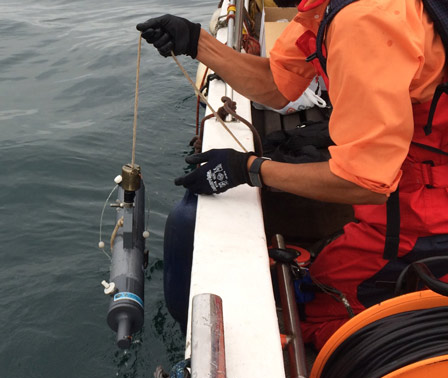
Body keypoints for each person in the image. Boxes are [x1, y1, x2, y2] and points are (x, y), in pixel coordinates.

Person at [137, 0, 448, 350]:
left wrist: (250, 169)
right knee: (320, 278)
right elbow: (276, 83)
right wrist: (197, 42)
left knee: (317, 313)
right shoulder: (325, 8)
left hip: (426, 212)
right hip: (401, 190)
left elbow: (367, 182)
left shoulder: (364, 21)